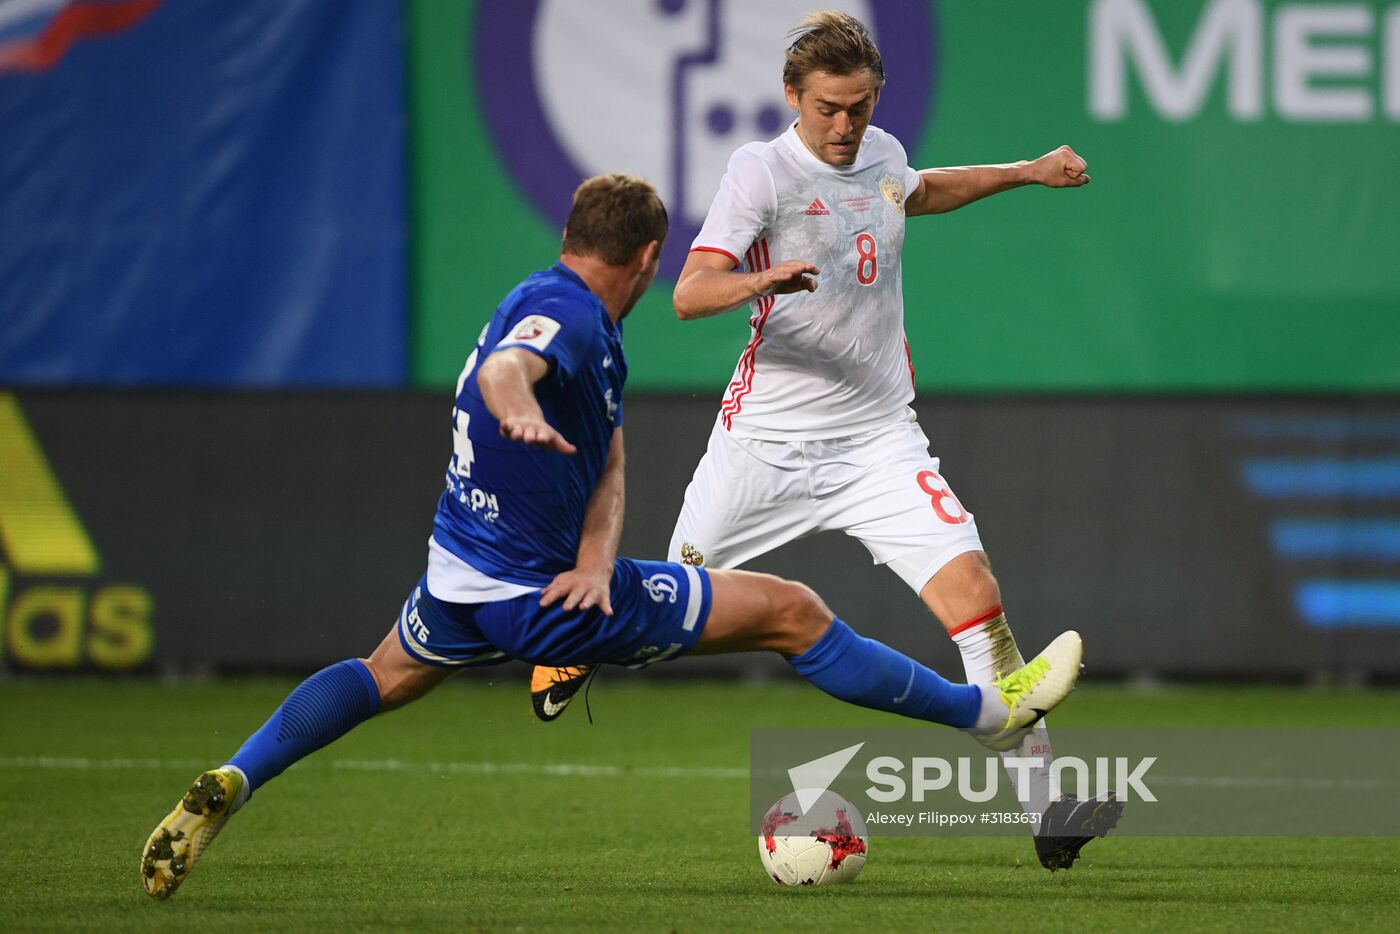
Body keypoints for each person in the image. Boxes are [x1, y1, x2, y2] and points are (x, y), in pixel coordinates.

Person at [140, 173, 1084, 900]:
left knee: (381, 673)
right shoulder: (576, 319)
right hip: (544, 605)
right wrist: (516, 412)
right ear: (647, 259)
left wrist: (598, 552)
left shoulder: (545, 295)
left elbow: (608, 451)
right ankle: (990, 717)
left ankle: (236, 776)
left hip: (460, 576)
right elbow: (517, 368)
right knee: (795, 612)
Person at [528, 13, 1121, 871]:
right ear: (792, 99)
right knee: (665, 612)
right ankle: (569, 651)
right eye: (828, 109)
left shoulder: (879, 152)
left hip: (878, 439)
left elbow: (921, 190)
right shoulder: (760, 171)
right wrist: (761, 277)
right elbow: (690, 294)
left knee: (977, 600)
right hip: (762, 446)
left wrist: (1025, 173)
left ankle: (1049, 808)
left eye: (859, 106)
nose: (844, 127)